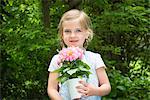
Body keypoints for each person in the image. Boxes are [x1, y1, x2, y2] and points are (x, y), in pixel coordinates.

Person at [47, 9, 111, 100]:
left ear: (87, 33)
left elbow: (106, 86)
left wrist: (95, 91)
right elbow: (51, 89)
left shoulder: (95, 58)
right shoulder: (57, 59)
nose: (72, 35)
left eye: (78, 30)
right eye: (67, 31)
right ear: (62, 34)